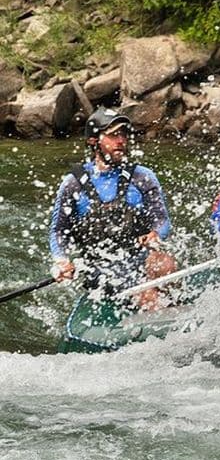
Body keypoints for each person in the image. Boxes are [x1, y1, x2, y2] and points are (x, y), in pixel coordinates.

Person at [49, 107, 177, 310]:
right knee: (147, 293)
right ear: (93, 141)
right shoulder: (73, 184)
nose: (121, 141)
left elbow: (162, 220)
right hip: (99, 268)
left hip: (137, 257)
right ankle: (157, 313)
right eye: (113, 135)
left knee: (165, 264)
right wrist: (62, 261)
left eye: (123, 134)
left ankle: (173, 306)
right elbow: (58, 231)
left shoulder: (142, 177)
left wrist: (155, 235)